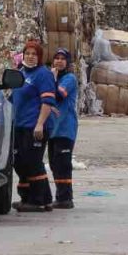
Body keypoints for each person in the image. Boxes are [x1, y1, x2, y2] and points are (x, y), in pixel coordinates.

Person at [12, 40, 56, 212]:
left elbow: (47, 101)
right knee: (21, 162)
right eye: (27, 53)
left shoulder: (42, 74)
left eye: (34, 54)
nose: (30, 57)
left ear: (39, 57)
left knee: (32, 162)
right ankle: (36, 198)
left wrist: (40, 124)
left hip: (35, 126)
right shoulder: (22, 73)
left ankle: (37, 200)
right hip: (20, 125)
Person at [46, 48, 79, 209]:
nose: (59, 61)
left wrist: (51, 79)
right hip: (53, 128)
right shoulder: (53, 78)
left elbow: (59, 95)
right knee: (53, 163)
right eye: (56, 58)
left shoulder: (69, 78)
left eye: (62, 59)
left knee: (62, 163)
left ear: (67, 62)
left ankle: (66, 198)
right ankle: (60, 196)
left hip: (65, 128)